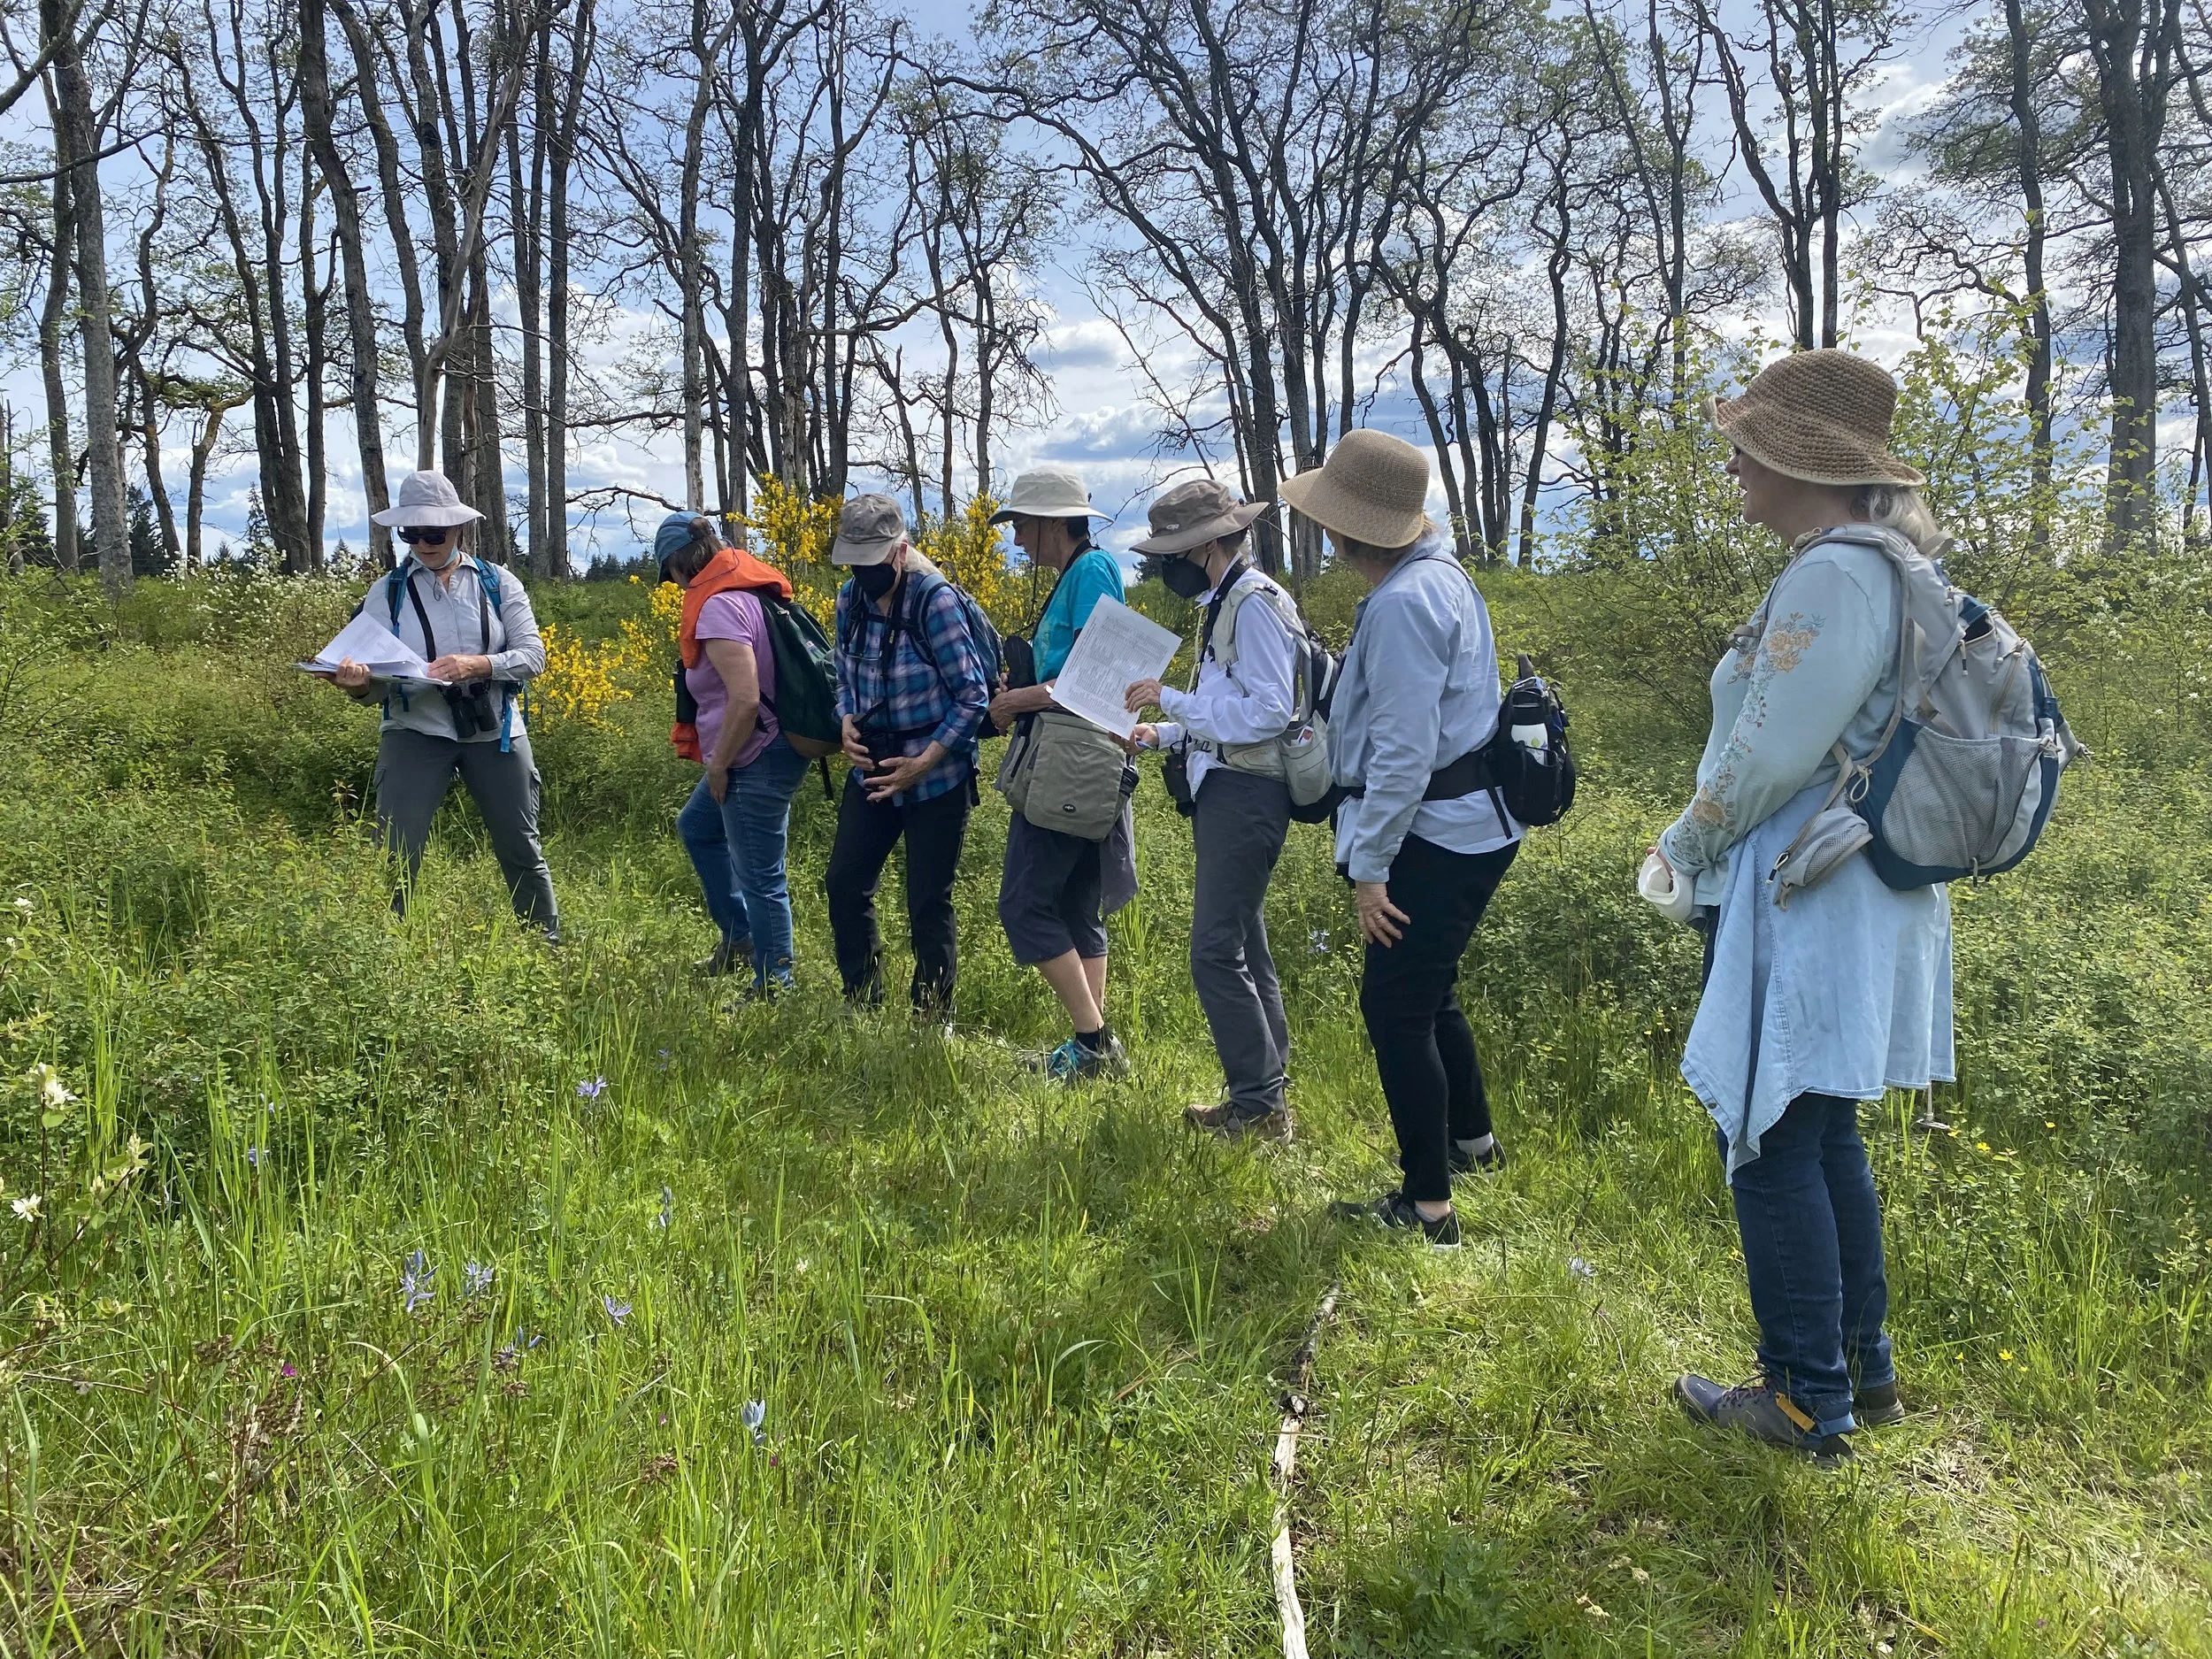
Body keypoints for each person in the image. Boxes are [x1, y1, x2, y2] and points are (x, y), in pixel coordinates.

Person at [1650, 349, 1952, 1463]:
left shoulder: (1832, 573)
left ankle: (1798, 1401)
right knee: (1821, 1131)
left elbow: (1771, 746)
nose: (1731, 461)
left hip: (1807, 889)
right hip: (1858, 887)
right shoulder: (1883, 568)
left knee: (1769, 1133)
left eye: (1747, 443)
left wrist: (1682, 843)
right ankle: (1855, 1374)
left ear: (1799, 459)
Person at [1279, 431, 1521, 1248]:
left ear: (1350, 529)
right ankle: (1472, 1143)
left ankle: (1429, 1209)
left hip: (1438, 832)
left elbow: (1406, 754)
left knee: (1394, 1004)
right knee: (1431, 988)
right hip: (1465, 826)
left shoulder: (1404, 604)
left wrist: (1370, 871)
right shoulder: (1437, 579)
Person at [1124, 479, 1299, 1141]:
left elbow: (1268, 713)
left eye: (1173, 551)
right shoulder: (1228, 602)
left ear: (1205, 546)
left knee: (1214, 951)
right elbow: (1229, 710)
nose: (1165, 565)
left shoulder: (1250, 604)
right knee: (1246, 946)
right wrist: (1164, 734)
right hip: (1230, 786)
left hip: (1247, 793)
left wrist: (1170, 701)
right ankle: (1265, 1091)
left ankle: (1259, 1107)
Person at [326, 469, 559, 940]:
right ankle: (388, 952)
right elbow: (372, 683)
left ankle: (544, 945)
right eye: (411, 532)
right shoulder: (386, 592)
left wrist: (476, 666)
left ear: (458, 529)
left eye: (434, 532)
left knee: (520, 845)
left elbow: (534, 657)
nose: (423, 542)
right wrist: (353, 684)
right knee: (395, 849)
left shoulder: (498, 583)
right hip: (414, 731)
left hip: (496, 732)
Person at [986, 466, 1135, 1082]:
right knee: (1075, 905)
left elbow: (1090, 679)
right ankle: (1089, 1051)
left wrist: (1013, 703)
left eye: (1022, 524)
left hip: (1071, 764)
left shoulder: (1093, 572)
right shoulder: (1078, 574)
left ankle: (1094, 1040)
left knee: (1023, 904)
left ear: (1051, 522)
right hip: (1068, 759)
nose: (1017, 539)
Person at [826, 495, 993, 1016]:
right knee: (845, 882)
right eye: (854, 562)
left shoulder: (933, 602)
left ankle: (931, 1015)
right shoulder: (848, 601)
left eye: (872, 561)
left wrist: (925, 761)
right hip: (873, 770)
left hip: (935, 776)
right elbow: (843, 676)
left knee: (927, 900)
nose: (863, 573)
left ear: (900, 552)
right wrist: (846, 720)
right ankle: (863, 1001)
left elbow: (973, 697)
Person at [661, 512, 812, 996]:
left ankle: (775, 984)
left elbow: (745, 698)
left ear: (681, 565)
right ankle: (741, 935)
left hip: (754, 754)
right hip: (761, 746)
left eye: (669, 575)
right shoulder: (746, 594)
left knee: (761, 874)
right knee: (698, 827)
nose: (674, 586)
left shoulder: (720, 608)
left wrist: (720, 764)